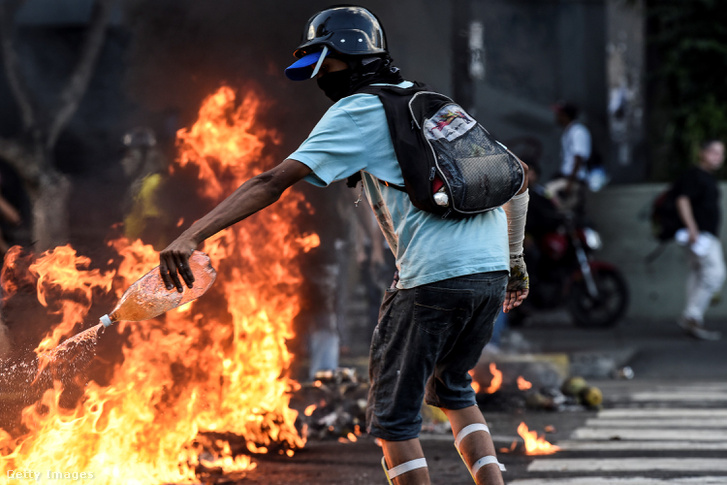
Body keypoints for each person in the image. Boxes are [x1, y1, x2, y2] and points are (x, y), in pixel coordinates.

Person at [159, 6, 529, 484]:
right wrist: (514, 261)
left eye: (325, 64)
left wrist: (193, 235)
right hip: (488, 273)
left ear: (351, 55)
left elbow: (272, 182)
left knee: (394, 419)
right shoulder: (434, 103)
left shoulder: (358, 109)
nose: (320, 78)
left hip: (434, 278)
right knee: (452, 388)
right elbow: (516, 181)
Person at [673, 139, 725, 341]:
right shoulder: (694, 175)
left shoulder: (708, 177)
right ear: (702, 153)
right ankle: (691, 315)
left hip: (705, 235)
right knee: (715, 274)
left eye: (721, 153)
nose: (718, 157)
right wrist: (692, 227)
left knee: (698, 273)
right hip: (699, 235)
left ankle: (693, 317)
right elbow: (682, 199)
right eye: (714, 152)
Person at [550, 101, 591, 215]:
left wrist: (570, 183)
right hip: (568, 179)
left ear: (565, 115)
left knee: (564, 210)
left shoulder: (578, 131)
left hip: (574, 181)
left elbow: (579, 158)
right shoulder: (568, 132)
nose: (556, 117)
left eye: (559, 114)